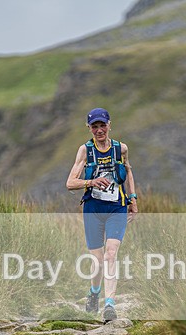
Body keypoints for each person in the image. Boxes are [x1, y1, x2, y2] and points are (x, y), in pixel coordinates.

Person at [65, 107, 138, 322]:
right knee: (97, 261)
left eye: (102, 125)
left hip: (117, 207)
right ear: (88, 128)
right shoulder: (85, 151)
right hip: (93, 209)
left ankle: (109, 305)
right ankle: (94, 293)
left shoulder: (121, 149)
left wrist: (133, 198)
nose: (99, 130)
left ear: (109, 124)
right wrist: (91, 182)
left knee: (111, 254)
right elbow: (70, 183)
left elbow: (129, 171)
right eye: (94, 127)